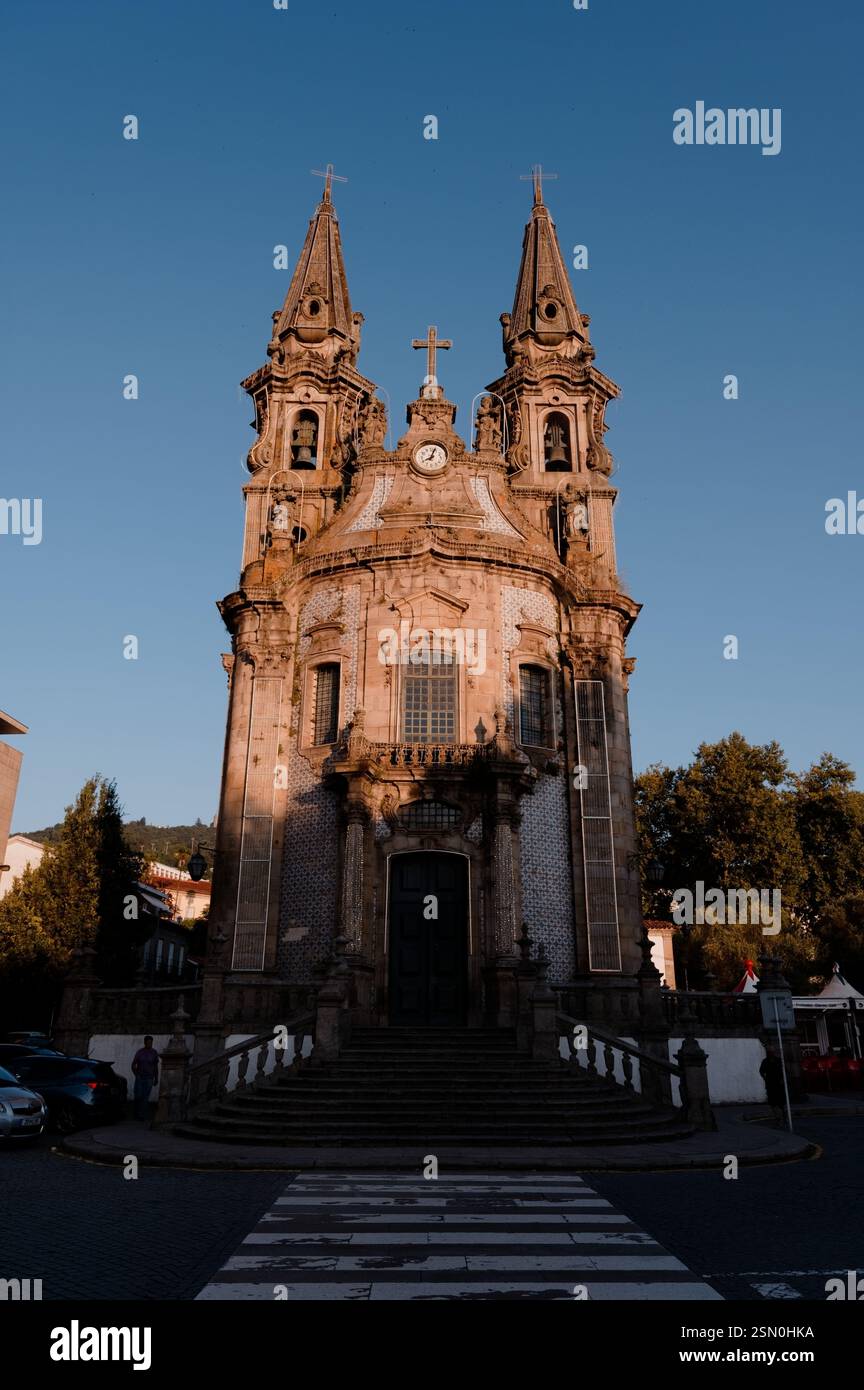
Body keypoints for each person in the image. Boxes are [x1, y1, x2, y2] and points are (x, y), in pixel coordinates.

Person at [131, 1035, 159, 1121]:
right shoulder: (140, 1052)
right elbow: (133, 1065)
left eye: (151, 1042)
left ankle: (142, 1115)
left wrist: (156, 1078)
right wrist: (136, 1074)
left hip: (149, 1078)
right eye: (148, 1042)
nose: (150, 1044)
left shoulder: (154, 1053)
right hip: (140, 1077)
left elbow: (155, 1067)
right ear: (145, 1042)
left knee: (145, 1097)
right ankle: (136, 1112)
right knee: (138, 1096)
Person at [759, 1046, 786, 1125]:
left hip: (779, 1085)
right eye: (769, 1052)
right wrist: (765, 1078)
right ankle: (778, 1118)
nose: (770, 1053)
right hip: (770, 1084)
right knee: (772, 1103)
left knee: (780, 1102)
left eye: (771, 1052)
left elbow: (784, 1071)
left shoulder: (778, 1061)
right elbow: (761, 1071)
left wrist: (782, 1080)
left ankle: (782, 1117)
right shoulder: (765, 1061)